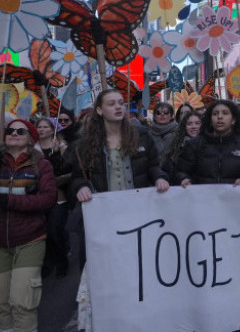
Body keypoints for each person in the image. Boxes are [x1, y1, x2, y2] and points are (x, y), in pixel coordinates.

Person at [0, 119, 57, 332]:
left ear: (29, 139)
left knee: (23, 301)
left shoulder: (42, 165)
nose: (13, 133)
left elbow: (48, 200)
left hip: (29, 240)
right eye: (9, 130)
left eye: (20, 131)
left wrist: (11, 202)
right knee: (2, 303)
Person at [69, 89, 170, 268]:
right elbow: (78, 177)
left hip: (138, 211)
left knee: (139, 259)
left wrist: (159, 178)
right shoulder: (85, 144)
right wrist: (81, 187)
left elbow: (154, 166)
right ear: (99, 110)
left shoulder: (142, 136)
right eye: (111, 103)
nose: (118, 107)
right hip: (104, 214)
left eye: (120, 103)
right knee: (109, 263)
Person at [176, 100, 240, 186]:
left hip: (234, 197)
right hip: (201, 197)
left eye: (225, 113)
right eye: (215, 114)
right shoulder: (194, 145)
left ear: (233, 120)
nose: (219, 117)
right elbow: (181, 171)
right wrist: (184, 179)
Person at [35, 118, 71, 279]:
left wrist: (56, 156)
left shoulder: (63, 148)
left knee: (55, 230)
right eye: (39, 126)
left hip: (58, 196)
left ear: (53, 130)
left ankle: (62, 262)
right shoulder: (31, 149)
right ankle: (46, 264)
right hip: (38, 196)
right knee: (42, 232)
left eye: (45, 127)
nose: (41, 129)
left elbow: (68, 171)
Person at [161, 111, 202, 176]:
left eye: (197, 123)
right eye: (189, 124)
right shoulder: (176, 146)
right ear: (184, 127)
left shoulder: (209, 145)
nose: (194, 127)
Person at [149, 102, 178, 168]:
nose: (162, 115)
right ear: (155, 116)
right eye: (158, 113)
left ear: (171, 116)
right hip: (154, 172)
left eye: (166, 112)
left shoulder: (178, 133)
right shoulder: (148, 134)